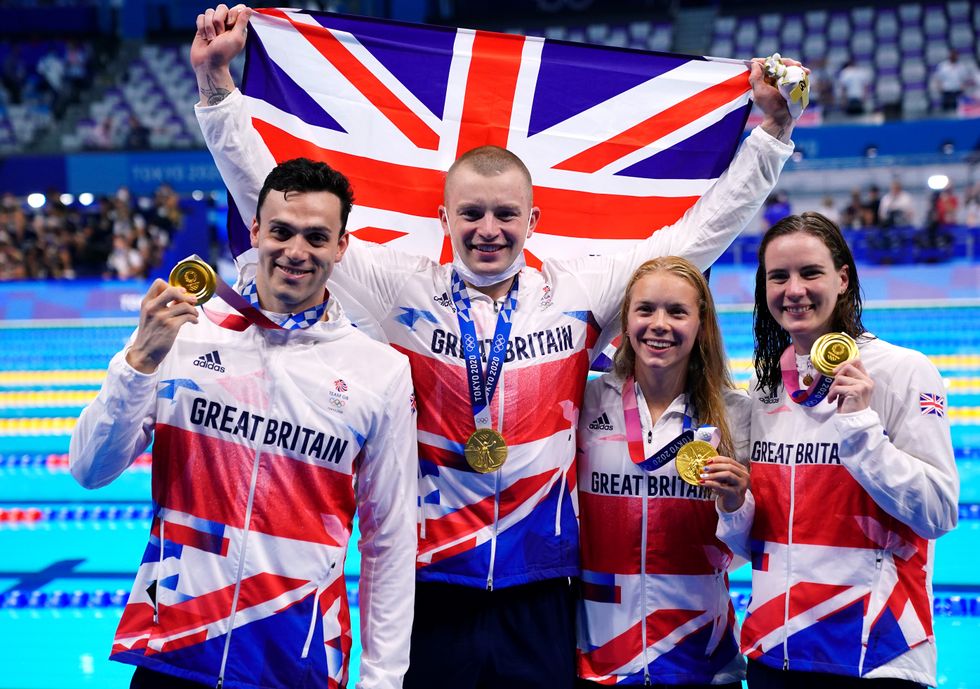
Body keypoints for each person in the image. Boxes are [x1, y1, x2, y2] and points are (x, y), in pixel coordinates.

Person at [191, 6, 801, 687]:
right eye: (472, 213)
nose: (489, 228)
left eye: (506, 213)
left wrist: (771, 134)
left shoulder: (580, 290)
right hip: (433, 585)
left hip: (542, 589)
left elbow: (696, 238)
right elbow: (273, 206)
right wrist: (217, 89)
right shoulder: (403, 290)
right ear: (444, 217)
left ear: (533, 219)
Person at [69, 158, 418, 689]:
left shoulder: (379, 372)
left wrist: (383, 679)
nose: (296, 252)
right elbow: (89, 471)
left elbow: (389, 537)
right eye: (281, 231)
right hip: (174, 651)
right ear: (256, 231)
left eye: (317, 237)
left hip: (296, 662)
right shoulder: (184, 333)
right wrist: (137, 363)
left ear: (341, 247)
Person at [716, 212, 959, 688]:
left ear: (842, 278)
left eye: (810, 273)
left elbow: (940, 512)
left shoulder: (903, 372)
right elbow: (758, 546)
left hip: (876, 653)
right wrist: (732, 505)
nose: (794, 290)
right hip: (775, 653)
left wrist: (861, 427)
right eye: (779, 276)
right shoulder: (765, 388)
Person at [576, 257, 750, 687]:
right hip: (599, 656)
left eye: (677, 311)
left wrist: (735, 504)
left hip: (702, 656)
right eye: (646, 309)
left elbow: (752, 549)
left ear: (700, 323)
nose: (659, 324)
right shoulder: (586, 401)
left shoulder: (734, 413)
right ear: (626, 320)